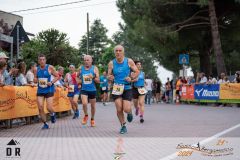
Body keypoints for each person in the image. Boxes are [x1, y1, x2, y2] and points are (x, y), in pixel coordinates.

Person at [108, 45, 139, 134]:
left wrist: (131, 77)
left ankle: (129, 113)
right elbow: (109, 75)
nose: (118, 52)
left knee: (126, 108)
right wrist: (110, 77)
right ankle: (123, 125)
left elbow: (137, 72)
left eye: (120, 50)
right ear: (114, 52)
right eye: (116, 51)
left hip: (127, 87)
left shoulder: (129, 61)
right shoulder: (111, 63)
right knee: (119, 108)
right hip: (116, 87)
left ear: (123, 52)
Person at [34, 54, 59, 129]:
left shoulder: (50, 67)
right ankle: (45, 124)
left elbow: (57, 76)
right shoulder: (36, 69)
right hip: (40, 90)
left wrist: (51, 82)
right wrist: (35, 80)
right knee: (40, 107)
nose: (42, 61)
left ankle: (52, 113)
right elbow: (35, 79)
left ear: (45, 60)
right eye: (40, 60)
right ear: (38, 61)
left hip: (49, 89)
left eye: (43, 59)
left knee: (49, 107)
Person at [79, 55, 100, 127]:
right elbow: (76, 76)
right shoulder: (81, 68)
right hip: (84, 89)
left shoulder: (95, 68)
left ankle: (92, 119)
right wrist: (79, 81)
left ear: (91, 61)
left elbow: (98, 81)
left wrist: (93, 77)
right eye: (85, 60)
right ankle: (86, 115)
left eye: (88, 60)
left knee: (93, 106)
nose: (86, 62)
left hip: (92, 90)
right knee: (84, 103)